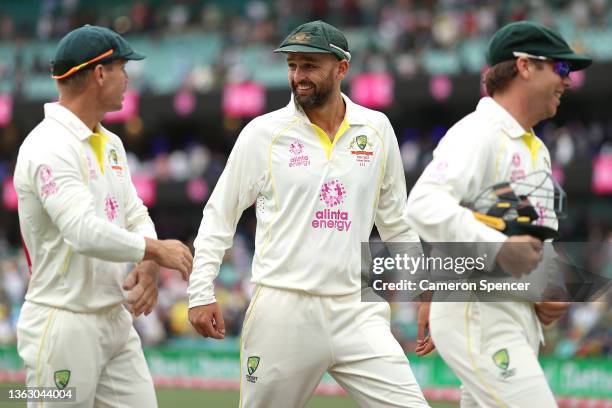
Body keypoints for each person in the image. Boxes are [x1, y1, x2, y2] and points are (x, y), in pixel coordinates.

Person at [188, 20, 430, 407]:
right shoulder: (262, 133)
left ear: (341, 68)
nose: (299, 76)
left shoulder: (377, 128)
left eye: (310, 65)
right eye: (292, 65)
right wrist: (200, 291)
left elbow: (396, 222)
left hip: (356, 307)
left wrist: (426, 291)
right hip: (284, 308)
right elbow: (220, 214)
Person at [406, 21, 592, 407]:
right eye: (560, 68)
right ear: (525, 66)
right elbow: (424, 203)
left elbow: (523, 241)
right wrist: (499, 247)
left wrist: (547, 288)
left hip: (507, 316)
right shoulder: (480, 133)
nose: (568, 81)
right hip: (480, 314)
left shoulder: (534, 148)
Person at [14, 25, 193, 407]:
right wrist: (156, 250)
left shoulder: (111, 143)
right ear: (99, 73)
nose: (128, 77)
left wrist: (147, 263)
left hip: (115, 317)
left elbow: (135, 213)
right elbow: (81, 232)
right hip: (63, 322)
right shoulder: (48, 146)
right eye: (122, 68)